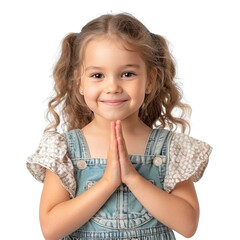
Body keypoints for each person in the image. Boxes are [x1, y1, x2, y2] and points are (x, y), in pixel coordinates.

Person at [26, 13, 212, 240]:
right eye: (97, 75)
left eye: (127, 74)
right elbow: (51, 229)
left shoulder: (172, 149)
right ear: (79, 83)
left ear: (150, 80)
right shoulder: (64, 149)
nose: (112, 86)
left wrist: (132, 177)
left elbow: (188, 224)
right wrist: (108, 182)